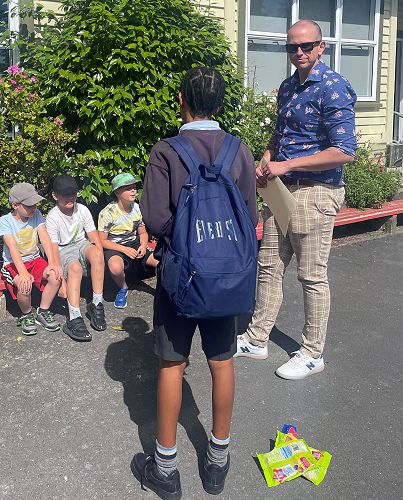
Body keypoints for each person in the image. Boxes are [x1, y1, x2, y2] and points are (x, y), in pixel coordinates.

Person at [130, 67, 257, 500]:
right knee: (222, 362)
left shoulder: (166, 151)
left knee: (172, 365)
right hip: (226, 276)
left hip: (180, 276)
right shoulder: (238, 149)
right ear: (220, 104)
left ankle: (166, 468)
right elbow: (249, 216)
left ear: (181, 99)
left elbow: (155, 218)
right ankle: (218, 460)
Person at [234, 19, 357, 380]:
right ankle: (257, 339)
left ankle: (312, 353)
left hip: (316, 191)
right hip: (282, 190)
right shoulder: (289, 86)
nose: (299, 52)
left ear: (321, 47)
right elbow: (281, 135)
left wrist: (287, 164)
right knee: (269, 266)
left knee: (311, 275)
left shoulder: (334, 87)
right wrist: (266, 161)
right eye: (292, 47)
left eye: (306, 46)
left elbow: (344, 151)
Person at [45, 174, 106, 341]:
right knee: (75, 268)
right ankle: (73, 317)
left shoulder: (82, 209)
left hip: (80, 244)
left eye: (73, 193)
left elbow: (93, 236)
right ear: (55, 196)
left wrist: (100, 259)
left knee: (96, 253)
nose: (70, 197)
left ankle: (96, 304)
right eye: (65, 194)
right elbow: (54, 251)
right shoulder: (53, 217)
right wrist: (62, 282)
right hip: (63, 249)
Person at [0, 183, 62, 335]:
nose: (33, 208)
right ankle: (26, 314)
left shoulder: (36, 214)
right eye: (29, 205)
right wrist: (23, 273)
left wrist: (52, 262)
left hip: (34, 259)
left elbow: (44, 237)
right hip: (13, 264)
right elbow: (12, 247)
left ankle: (43, 311)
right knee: (24, 286)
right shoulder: (5, 221)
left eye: (35, 204)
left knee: (55, 277)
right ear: (15, 205)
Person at [98, 173, 158, 309]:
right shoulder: (107, 213)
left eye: (134, 187)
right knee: (115, 267)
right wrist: (124, 249)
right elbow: (102, 241)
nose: (133, 191)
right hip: (114, 246)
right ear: (117, 193)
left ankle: (163, 291)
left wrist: (143, 244)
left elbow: (142, 232)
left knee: (159, 261)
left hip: (133, 242)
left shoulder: (136, 208)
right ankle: (123, 287)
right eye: (128, 188)